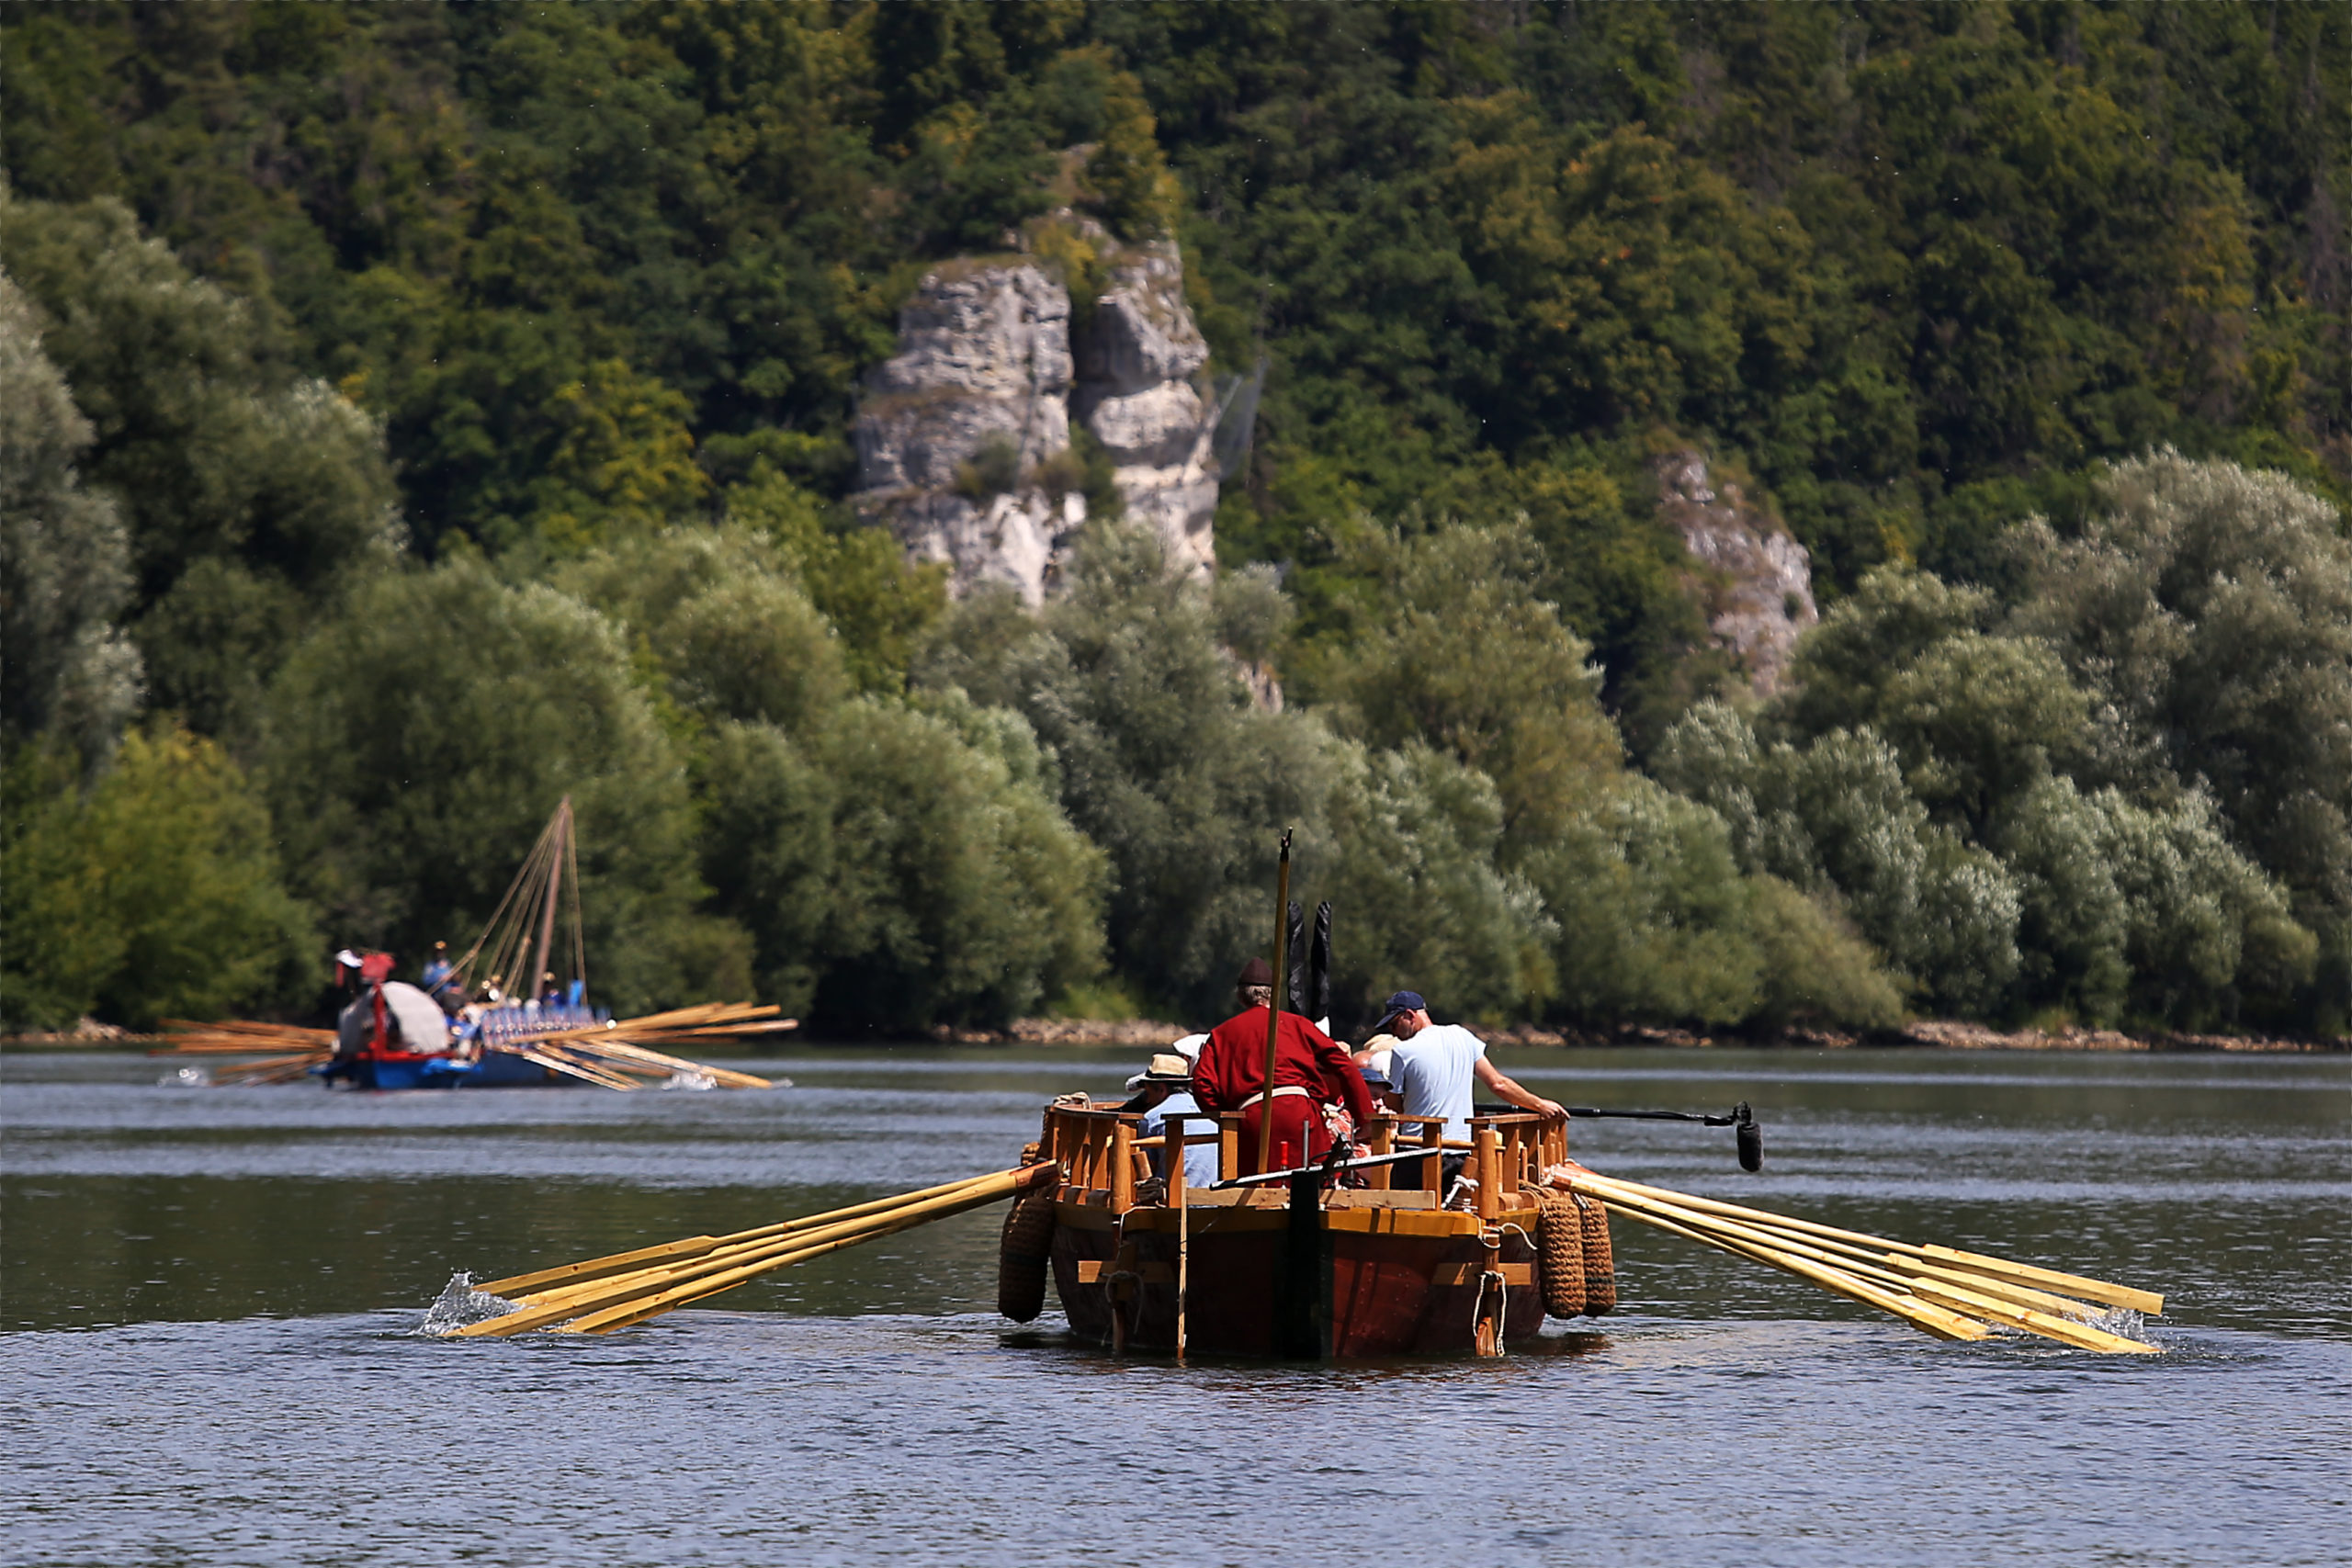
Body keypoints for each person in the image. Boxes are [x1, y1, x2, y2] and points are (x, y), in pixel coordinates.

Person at [1363, 989, 1565, 1190]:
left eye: (1394, 1024)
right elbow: (1498, 1084)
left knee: (1407, 1211)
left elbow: (1393, 1104)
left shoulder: (1401, 1051)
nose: (1393, 1032)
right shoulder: (1463, 1036)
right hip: (1459, 1150)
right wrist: (1540, 1104)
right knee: (1455, 1207)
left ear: (1409, 1015)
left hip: (1416, 1151)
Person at [1193, 958, 1374, 1176]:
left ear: (1240, 996)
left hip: (1251, 1118)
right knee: (1314, 1183)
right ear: (1273, 994)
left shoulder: (1221, 1034)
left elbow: (1202, 1084)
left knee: (1254, 1187)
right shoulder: (1298, 1024)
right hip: (1300, 1114)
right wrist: (1364, 1118)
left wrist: (1227, 1116)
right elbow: (1344, 1066)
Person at [1121, 1053, 1220, 1190]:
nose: (1147, 1099)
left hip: (1174, 1198)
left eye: (1147, 1092)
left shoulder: (1152, 1118)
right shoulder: (1208, 1110)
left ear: (1161, 1089)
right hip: (1215, 1195)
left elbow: (1147, 1168)